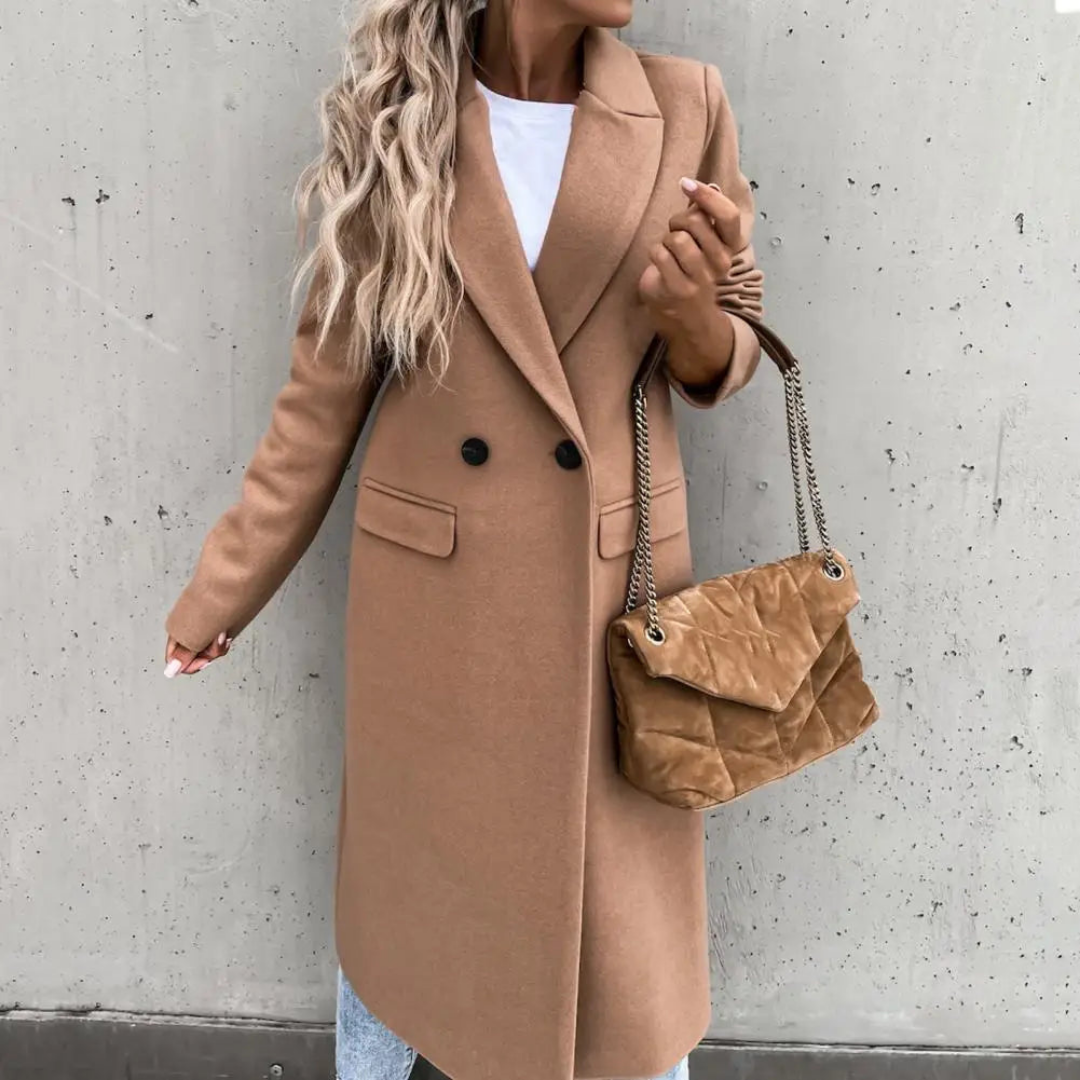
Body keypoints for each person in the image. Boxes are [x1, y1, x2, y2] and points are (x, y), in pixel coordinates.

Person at [162, 0, 765, 1077]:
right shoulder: (399, 120)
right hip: (439, 611)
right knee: (410, 930)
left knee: (626, 970)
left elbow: (735, 335)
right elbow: (322, 395)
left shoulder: (686, 103)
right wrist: (224, 587)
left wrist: (693, 318)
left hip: (611, 604)